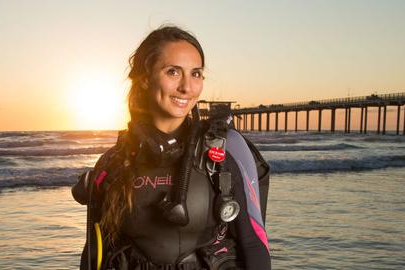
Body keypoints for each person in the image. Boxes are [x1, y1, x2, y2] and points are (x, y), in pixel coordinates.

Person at [72, 25, 271, 270]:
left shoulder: (227, 149)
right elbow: (94, 255)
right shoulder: (113, 162)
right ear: (145, 80)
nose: (187, 87)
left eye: (196, 74)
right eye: (173, 72)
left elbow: (254, 245)